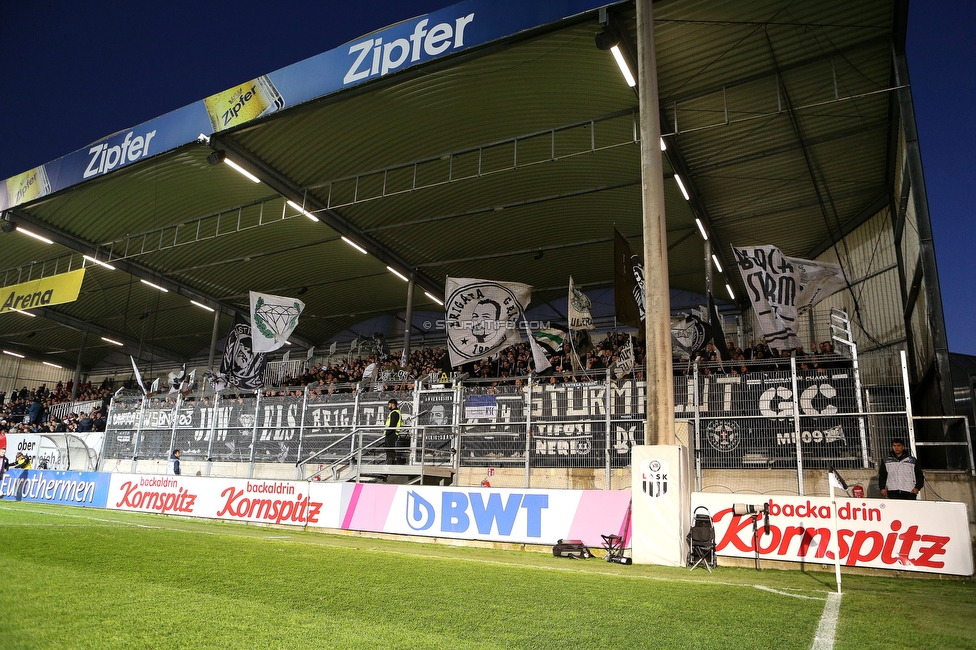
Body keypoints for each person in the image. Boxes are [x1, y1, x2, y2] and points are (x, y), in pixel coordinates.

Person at [384, 399, 402, 465]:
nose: (388, 406)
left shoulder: (395, 413)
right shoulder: (394, 412)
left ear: (392, 404)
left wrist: (387, 432)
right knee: (388, 449)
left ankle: (390, 464)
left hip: (392, 434)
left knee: (390, 450)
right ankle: (389, 463)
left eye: (389, 404)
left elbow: (392, 424)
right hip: (391, 433)